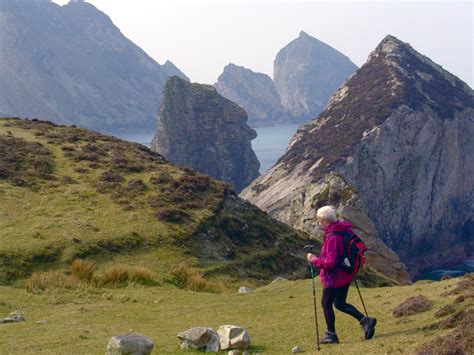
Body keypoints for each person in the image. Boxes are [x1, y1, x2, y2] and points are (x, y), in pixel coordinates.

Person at [306, 205, 377, 344]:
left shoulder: (333, 237)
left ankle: (331, 335)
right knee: (339, 303)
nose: (318, 223)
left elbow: (331, 263)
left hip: (334, 278)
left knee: (326, 303)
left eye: (320, 221)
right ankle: (366, 321)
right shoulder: (343, 230)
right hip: (345, 275)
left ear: (326, 221)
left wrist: (314, 260)